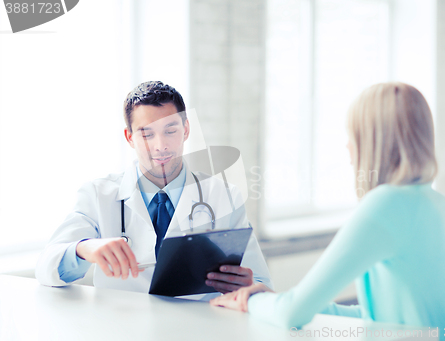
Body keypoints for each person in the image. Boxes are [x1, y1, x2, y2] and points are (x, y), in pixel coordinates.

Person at [210, 82, 445, 340]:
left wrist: (252, 300)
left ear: (372, 142)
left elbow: (292, 315)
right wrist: (273, 299)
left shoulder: (386, 204)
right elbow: (375, 317)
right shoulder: (437, 203)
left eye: (352, 135)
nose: (347, 147)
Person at [36, 81, 272, 300]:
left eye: (170, 130)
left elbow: (261, 283)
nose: (161, 146)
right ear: (129, 137)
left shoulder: (224, 196)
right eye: (147, 133)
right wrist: (84, 248)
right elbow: (46, 267)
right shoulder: (99, 195)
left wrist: (246, 286)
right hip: (123, 329)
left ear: (186, 129)